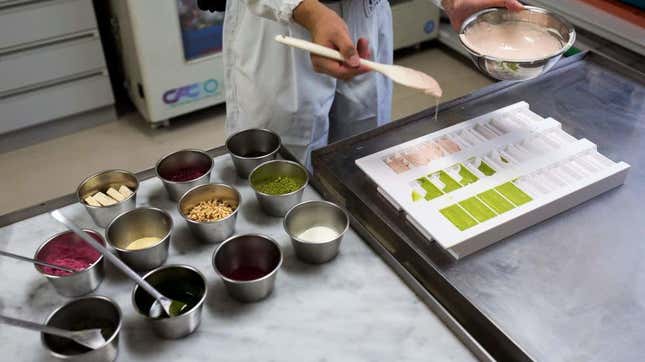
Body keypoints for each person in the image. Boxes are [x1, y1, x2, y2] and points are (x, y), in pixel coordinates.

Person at [214, 0, 523, 168]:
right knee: (280, 161)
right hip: (278, 24)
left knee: (363, 153)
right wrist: (307, 11)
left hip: (366, 14)